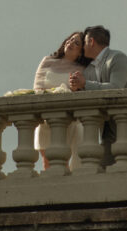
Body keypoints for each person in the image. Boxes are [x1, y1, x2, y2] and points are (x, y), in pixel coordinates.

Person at [68, 25, 127, 167]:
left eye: (85, 42)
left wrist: (84, 83)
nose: (83, 48)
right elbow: (87, 90)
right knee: (103, 172)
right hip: (109, 132)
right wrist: (77, 88)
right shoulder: (89, 70)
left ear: (91, 41)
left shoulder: (118, 59)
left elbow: (115, 89)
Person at [33, 31, 89, 170]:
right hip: (46, 119)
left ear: (81, 52)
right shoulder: (48, 61)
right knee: (48, 163)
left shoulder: (82, 69)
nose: (70, 43)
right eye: (70, 40)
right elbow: (37, 87)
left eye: (76, 43)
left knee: (63, 161)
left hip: (68, 120)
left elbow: (82, 91)